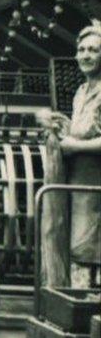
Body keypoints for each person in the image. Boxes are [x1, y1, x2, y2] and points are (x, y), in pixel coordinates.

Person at [60, 24, 101, 288]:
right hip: (77, 185)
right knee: (79, 246)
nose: (86, 55)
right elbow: (79, 130)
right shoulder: (80, 93)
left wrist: (75, 146)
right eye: (82, 49)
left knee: (93, 247)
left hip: (97, 185)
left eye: (94, 50)